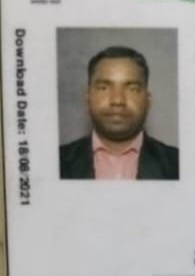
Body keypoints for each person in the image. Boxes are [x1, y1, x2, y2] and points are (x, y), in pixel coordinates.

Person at [60, 46, 179, 180]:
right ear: (88, 99)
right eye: (103, 88)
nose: (117, 100)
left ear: (147, 101)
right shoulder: (55, 162)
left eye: (132, 89)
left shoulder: (179, 164)